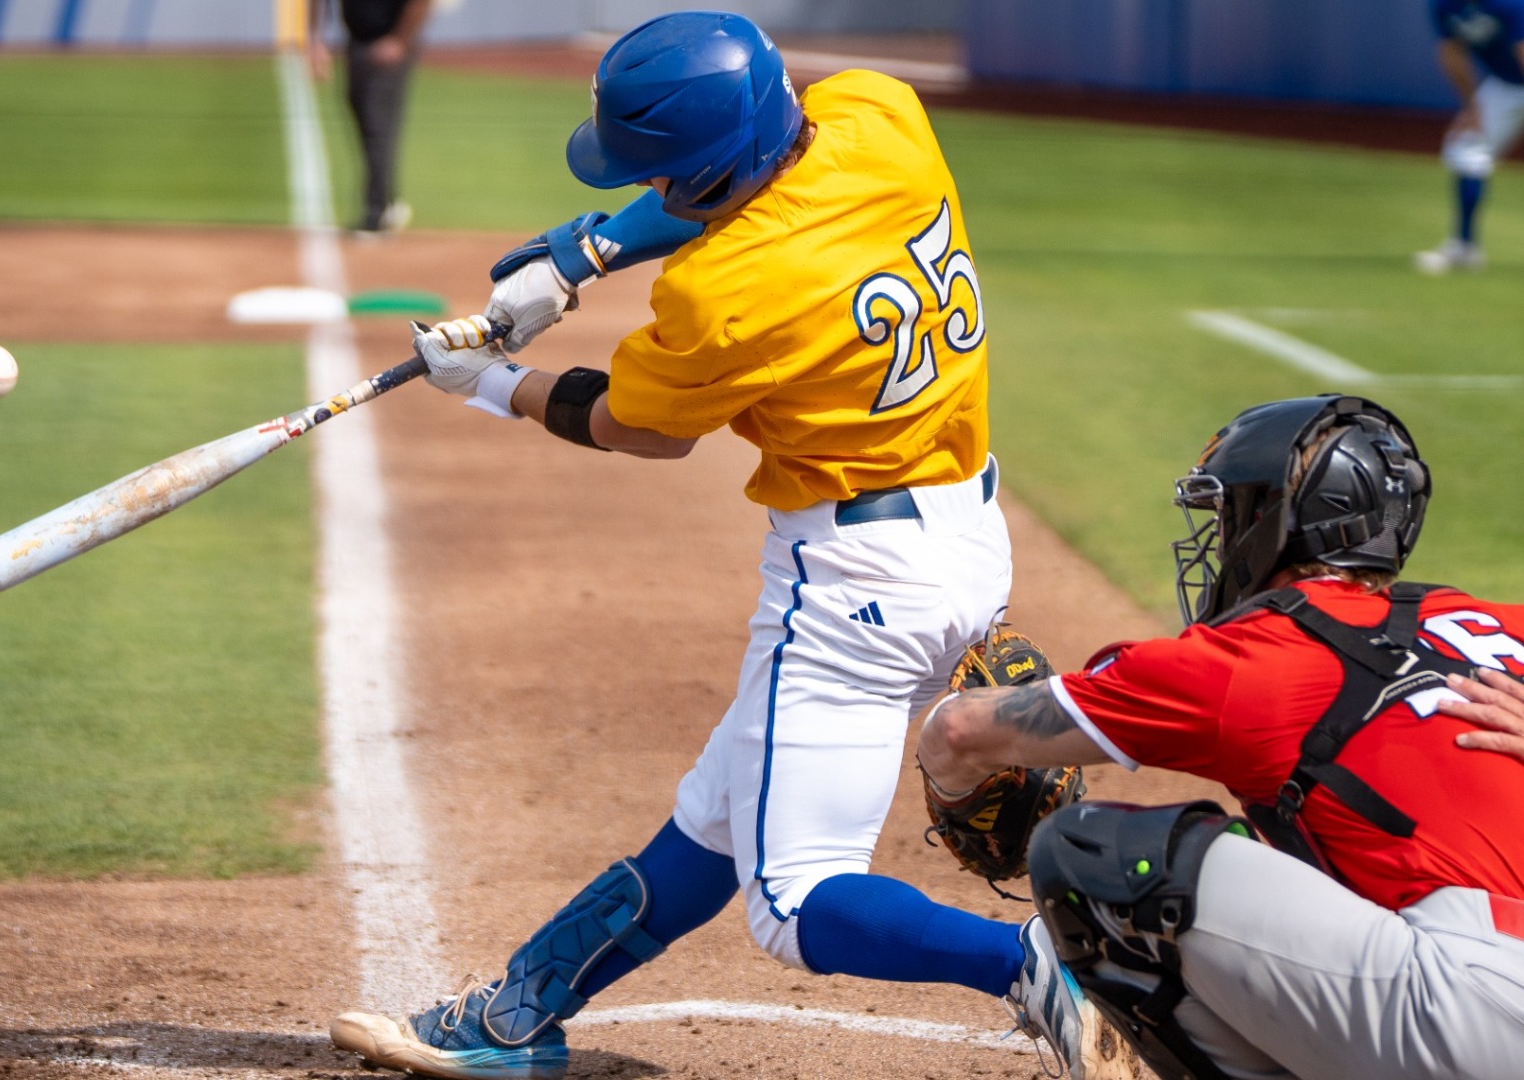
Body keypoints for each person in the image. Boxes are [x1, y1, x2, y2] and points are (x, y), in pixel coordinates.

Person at [327, 11, 1093, 1079]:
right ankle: (520, 1015)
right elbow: (737, 190)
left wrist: (492, 382)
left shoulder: (727, 297)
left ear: (699, 176)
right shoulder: (883, 116)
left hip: (851, 586)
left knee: (794, 898)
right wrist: (586, 248)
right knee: (719, 815)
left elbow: (635, 427)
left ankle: (1035, 965)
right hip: (967, 537)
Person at [919, 393, 1524, 1079]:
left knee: (1093, 851)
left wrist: (948, 779)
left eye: (1228, 513)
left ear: (1273, 524)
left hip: (1479, 1023)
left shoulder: (1254, 656)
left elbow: (961, 732)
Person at [1417, 0, 1524, 280]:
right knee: (1467, 145)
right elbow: (1452, 52)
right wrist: (1470, 109)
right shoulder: (1443, 5)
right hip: (1511, 80)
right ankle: (1464, 247)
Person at [307, 0, 429, 235]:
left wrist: (399, 41)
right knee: (363, 118)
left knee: (378, 125)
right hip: (357, 42)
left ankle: (377, 213)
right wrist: (316, 39)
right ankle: (388, 201)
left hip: (389, 41)